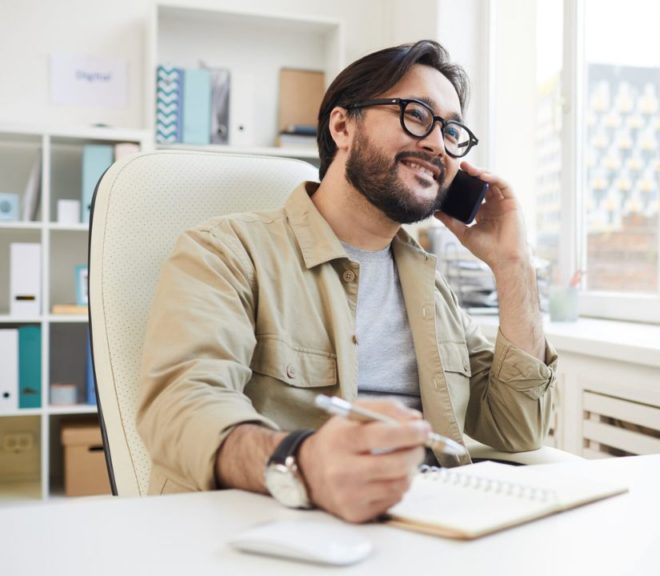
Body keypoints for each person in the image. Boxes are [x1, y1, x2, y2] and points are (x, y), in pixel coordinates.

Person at [136, 40, 557, 523]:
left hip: (433, 526)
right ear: (342, 126)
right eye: (417, 115)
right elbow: (181, 407)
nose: (439, 144)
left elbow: (518, 427)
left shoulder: (431, 287)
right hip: (280, 525)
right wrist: (304, 464)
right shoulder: (225, 252)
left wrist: (514, 264)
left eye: (452, 130)